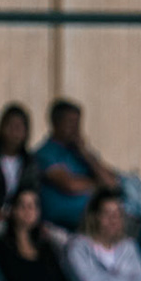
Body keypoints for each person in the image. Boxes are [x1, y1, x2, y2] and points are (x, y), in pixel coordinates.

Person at [35, 98, 122, 230]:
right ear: (55, 123)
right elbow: (70, 185)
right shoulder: (45, 153)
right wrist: (98, 184)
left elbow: (111, 183)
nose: (75, 128)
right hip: (66, 221)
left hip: (99, 216)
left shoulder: (82, 152)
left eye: (78, 123)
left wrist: (85, 152)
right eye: (70, 122)